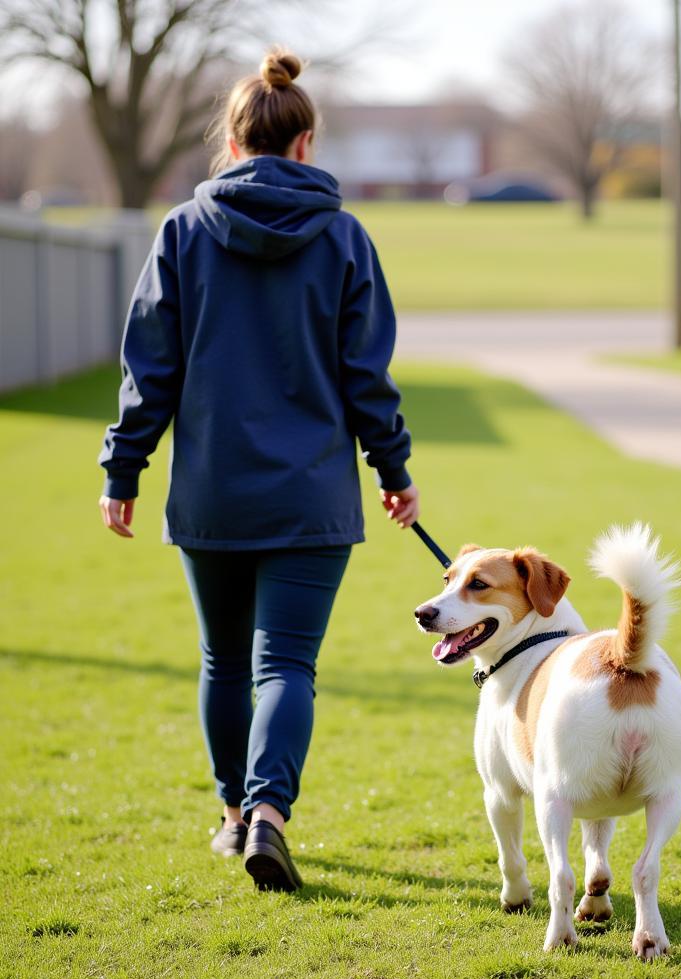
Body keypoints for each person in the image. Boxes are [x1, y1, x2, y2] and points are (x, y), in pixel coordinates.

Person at [97, 48, 418, 893]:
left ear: (231, 143)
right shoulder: (346, 237)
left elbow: (149, 370)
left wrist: (122, 471)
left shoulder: (181, 232)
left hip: (213, 492)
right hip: (311, 495)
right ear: (306, 144)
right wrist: (393, 468)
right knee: (288, 665)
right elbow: (366, 376)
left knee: (223, 661)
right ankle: (271, 813)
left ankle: (236, 815)